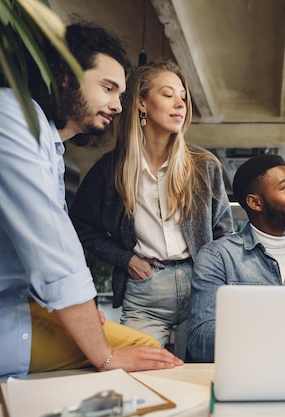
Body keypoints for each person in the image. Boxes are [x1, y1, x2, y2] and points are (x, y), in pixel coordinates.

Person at [0, 22, 183, 381]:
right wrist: (106, 355)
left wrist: (79, 311)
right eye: (108, 88)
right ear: (64, 77)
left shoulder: (46, 142)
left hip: (14, 305)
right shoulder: (5, 115)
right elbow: (54, 249)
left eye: (121, 94)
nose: (116, 105)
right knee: (150, 362)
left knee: (148, 352)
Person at [69, 58, 233, 360]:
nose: (180, 104)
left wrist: (218, 285)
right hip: (146, 291)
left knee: (207, 375)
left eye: (183, 97)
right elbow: (79, 225)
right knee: (136, 376)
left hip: (201, 286)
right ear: (142, 102)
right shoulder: (110, 170)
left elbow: (224, 233)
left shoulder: (204, 165)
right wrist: (125, 257)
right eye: (168, 94)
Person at [187, 154, 285, 362]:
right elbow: (200, 342)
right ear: (255, 202)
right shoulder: (218, 257)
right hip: (245, 379)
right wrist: (279, 328)